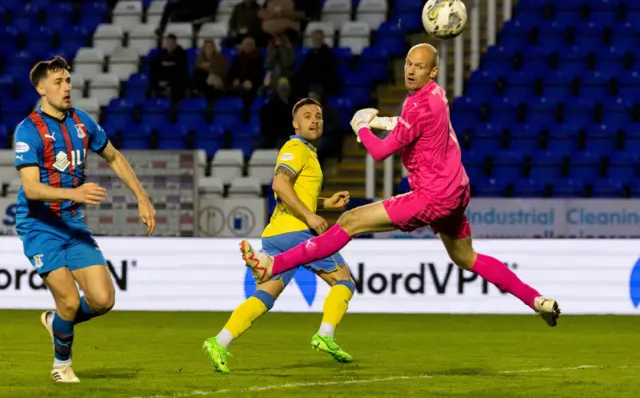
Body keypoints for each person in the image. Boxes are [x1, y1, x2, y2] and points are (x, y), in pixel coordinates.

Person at [239, 44, 561, 327]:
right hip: (457, 189)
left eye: (419, 66)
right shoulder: (436, 95)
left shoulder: (420, 105)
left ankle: (273, 265)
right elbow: (409, 126)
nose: (410, 70)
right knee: (466, 258)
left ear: (432, 71)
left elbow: (380, 152)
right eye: (408, 63)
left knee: (349, 221)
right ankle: (536, 300)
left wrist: (363, 127)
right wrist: (381, 121)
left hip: (431, 196)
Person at [13, 57, 156, 382]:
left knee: (103, 300)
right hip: (39, 226)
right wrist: (74, 194)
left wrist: (142, 197)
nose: (67, 87)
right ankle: (61, 366)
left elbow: (115, 157)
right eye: (59, 82)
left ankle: (56, 323)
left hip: (72, 224)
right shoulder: (28, 130)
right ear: (41, 88)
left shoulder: (82, 122)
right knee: (68, 300)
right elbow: (32, 189)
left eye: (68, 80)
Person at [203, 98, 355, 373]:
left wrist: (324, 204)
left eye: (318, 116)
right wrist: (309, 217)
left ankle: (219, 341)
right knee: (344, 280)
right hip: (297, 232)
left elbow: (292, 194)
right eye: (307, 116)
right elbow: (280, 183)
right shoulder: (295, 148)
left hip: (275, 235)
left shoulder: (307, 152)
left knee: (265, 296)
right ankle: (326, 334)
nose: (314, 120)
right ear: (295, 124)